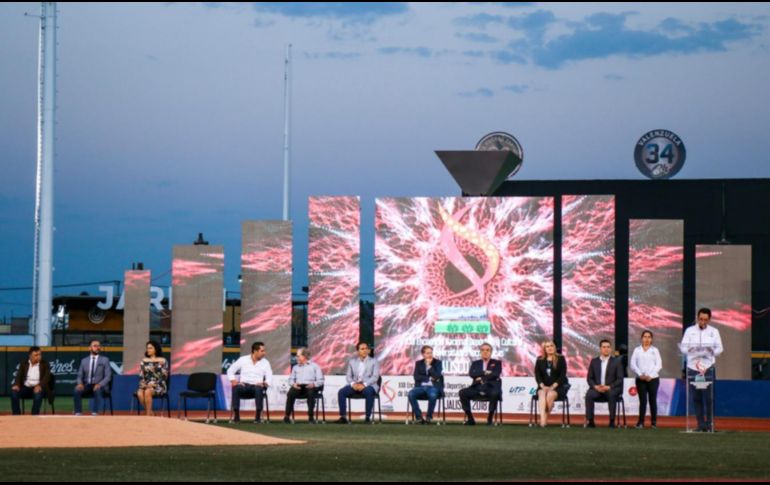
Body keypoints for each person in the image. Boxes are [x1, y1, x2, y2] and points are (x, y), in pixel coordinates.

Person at [679, 307, 723, 432]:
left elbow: (720, 349)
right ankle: (700, 425)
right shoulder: (689, 330)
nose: (702, 322)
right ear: (697, 318)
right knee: (697, 398)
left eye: (705, 319)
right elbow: (682, 347)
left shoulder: (714, 331)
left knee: (708, 398)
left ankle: (709, 425)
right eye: (700, 319)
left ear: (709, 319)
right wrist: (690, 349)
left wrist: (712, 350)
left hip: (707, 367)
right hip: (693, 367)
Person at [227, 341, 273, 423]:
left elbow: (269, 376)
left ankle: (258, 417)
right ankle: (236, 416)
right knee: (236, 388)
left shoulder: (265, 362)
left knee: (259, 388)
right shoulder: (243, 359)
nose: (264, 353)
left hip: (256, 387)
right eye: (262, 351)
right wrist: (233, 381)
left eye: (264, 351)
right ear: (255, 351)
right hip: (244, 386)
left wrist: (264, 383)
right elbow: (230, 370)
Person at [336, 342, 380, 424]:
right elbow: (348, 376)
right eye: (362, 349)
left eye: (366, 348)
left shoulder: (374, 361)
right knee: (341, 392)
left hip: (368, 385)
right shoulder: (352, 362)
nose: (364, 350)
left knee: (369, 392)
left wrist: (364, 385)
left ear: (368, 350)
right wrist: (353, 384)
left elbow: (375, 377)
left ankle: (367, 417)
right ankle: (343, 417)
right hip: (355, 385)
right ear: (358, 351)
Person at [458, 342, 502, 426]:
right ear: (480, 352)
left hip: (490, 387)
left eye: (487, 350)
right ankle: (470, 419)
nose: (485, 352)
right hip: (476, 387)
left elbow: (495, 374)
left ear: (491, 352)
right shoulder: (475, 363)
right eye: (482, 350)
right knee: (462, 392)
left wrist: (481, 378)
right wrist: (485, 372)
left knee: (495, 394)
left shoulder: (497, 363)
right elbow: (472, 374)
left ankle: (489, 420)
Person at [585, 339, 625, 428]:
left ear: (611, 349)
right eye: (604, 347)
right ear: (600, 349)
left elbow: (620, 379)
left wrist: (609, 387)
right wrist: (595, 387)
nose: (606, 349)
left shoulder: (617, 362)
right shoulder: (594, 361)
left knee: (611, 394)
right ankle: (590, 421)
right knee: (589, 395)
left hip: (611, 389)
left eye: (608, 347)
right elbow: (589, 378)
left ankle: (611, 421)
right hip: (597, 389)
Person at [630, 330, 662, 429]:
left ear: (651, 339)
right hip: (640, 379)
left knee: (653, 400)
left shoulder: (655, 350)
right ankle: (640, 422)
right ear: (641, 338)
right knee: (642, 401)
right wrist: (640, 374)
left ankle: (653, 423)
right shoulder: (637, 350)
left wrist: (650, 376)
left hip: (653, 379)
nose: (647, 339)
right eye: (645, 336)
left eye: (649, 337)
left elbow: (659, 365)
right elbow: (632, 364)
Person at [283, 348, 324, 424]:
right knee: (290, 393)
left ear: (304, 356)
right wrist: (293, 384)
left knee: (310, 393)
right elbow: (291, 379)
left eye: (298, 356)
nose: (296, 358)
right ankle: (286, 417)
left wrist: (313, 384)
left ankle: (311, 417)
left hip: (310, 386)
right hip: (298, 387)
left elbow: (321, 380)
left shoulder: (315, 366)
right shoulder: (295, 367)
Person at [534, 341, 568, 428]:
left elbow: (562, 375)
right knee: (542, 394)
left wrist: (553, 386)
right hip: (543, 386)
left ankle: (543, 421)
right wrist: (542, 386)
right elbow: (537, 374)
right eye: (547, 346)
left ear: (555, 347)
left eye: (551, 346)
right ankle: (543, 421)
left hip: (557, 387)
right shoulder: (540, 359)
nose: (549, 348)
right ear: (544, 349)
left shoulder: (561, 359)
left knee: (550, 394)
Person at [74, 339, 112, 416]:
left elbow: (108, 376)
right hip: (87, 385)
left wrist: (100, 384)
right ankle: (78, 412)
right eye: (95, 346)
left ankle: (95, 412)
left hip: (100, 386)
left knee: (97, 389)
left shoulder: (105, 360)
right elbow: (79, 375)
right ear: (89, 348)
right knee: (77, 389)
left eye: (98, 346)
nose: (97, 347)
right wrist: (80, 383)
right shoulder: (84, 361)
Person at [407, 345, 444, 424]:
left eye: (431, 353)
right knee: (411, 394)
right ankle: (419, 417)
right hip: (421, 387)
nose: (430, 355)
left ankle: (429, 417)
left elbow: (437, 376)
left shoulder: (438, 363)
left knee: (433, 395)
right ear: (423, 354)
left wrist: (429, 366)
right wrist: (429, 378)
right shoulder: (418, 363)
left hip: (433, 387)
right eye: (427, 353)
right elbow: (416, 377)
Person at [11, 346, 53, 415]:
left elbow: (47, 378)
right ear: (30, 356)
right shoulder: (24, 364)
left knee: (38, 395)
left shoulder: (45, 364)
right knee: (14, 393)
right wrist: (17, 385)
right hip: (26, 387)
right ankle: (16, 415)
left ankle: (34, 416)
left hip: (38, 387)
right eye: (36, 355)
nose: (39, 356)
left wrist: (39, 386)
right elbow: (19, 375)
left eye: (40, 354)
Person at [137, 340, 169, 416]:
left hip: (159, 385)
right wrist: (143, 384)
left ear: (156, 349)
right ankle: (151, 413)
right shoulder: (144, 361)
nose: (148, 350)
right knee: (139, 393)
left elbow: (164, 376)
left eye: (150, 348)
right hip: (146, 384)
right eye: (147, 348)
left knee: (148, 391)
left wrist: (154, 384)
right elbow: (141, 375)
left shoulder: (163, 360)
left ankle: (148, 416)